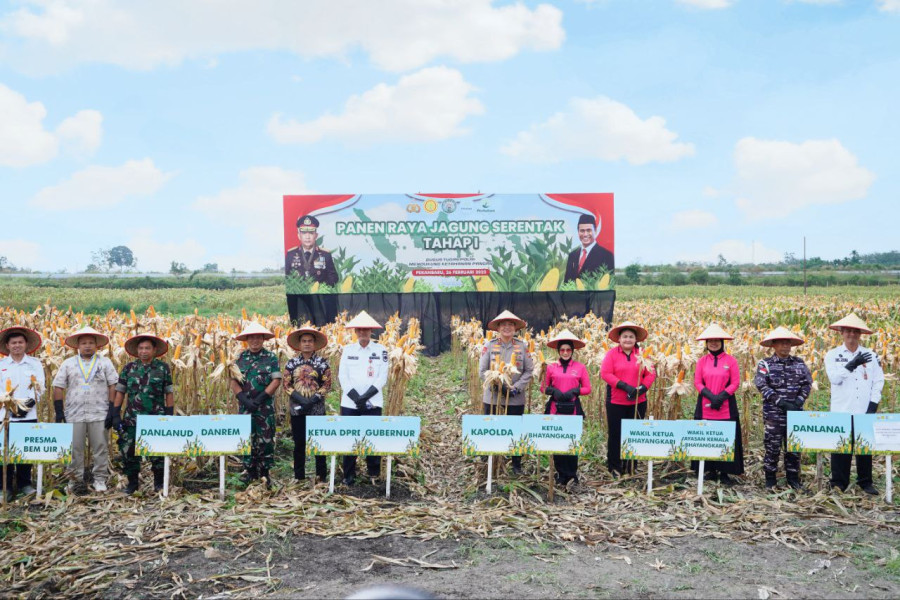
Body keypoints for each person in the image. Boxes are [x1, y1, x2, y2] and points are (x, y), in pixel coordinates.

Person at [52, 326, 118, 493]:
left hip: (99, 411)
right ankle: (75, 479)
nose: (87, 346)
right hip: (74, 412)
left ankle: (100, 479)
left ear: (96, 345)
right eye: (83, 343)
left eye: (90, 343)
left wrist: (112, 409)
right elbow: (58, 386)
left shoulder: (105, 362)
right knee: (75, 448)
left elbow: (113, 385)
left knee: (100, 447)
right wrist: (59, 411)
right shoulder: (68, 364)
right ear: (78, 346)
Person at [824, 313, 884, 495]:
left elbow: (878, 381)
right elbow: (834, 379)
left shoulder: (871, 356)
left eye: (855, 331)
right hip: (841, 409)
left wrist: (873, 405)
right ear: (842, 333)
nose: (851, 335)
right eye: (848, 331)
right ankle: (839, 483)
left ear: (860, 334)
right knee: (840, 448)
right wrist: (851, 365)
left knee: (865, 448)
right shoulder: (833, 355)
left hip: (863, 409)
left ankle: (865, 482)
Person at [111, 334, 174, 494]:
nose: (144, 351)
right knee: (128, 451)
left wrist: (169, 413)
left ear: (154, 350)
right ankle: (132, 484)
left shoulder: (163, 368)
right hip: (132, 418)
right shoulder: (128, 368)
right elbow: (120, 391)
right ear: (137, 351)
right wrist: (115, 414)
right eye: (141, 348)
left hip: (156, 418)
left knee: (157, 452)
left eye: (147, 348)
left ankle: (159, 483)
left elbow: (168, 392)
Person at [754, 326, 812, 490]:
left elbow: (807, 384)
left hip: (796, 413)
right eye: (781, 343)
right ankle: (770, 479)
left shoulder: (799, 363)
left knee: (794, 448)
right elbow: (761, 385)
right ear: (773, 345)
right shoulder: (765, 364)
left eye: (788, 343)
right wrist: (780, 402)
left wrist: (799, 401)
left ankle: (793, 478)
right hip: (774, 414)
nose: (785, 346)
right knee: (772, 447)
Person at [478, 310, 534, 475]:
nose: (507, 328)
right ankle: (489, 461)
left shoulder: (523, 346)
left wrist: (516, 388)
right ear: (498, 328)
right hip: (493, 397)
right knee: (491, 429)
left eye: (511, 325)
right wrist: (495, 385)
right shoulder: (489, 345)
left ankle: (516, 463)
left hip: (515, 397)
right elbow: (482, 370)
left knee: (515, 429)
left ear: (516, 328)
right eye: (503, 325)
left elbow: (529, 371)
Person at [338, 311, 388, 486]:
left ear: (371, 331)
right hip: (349, 403)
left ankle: (373, 474)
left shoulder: (381, 350)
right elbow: (343, 377)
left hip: (373, 402)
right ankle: (349, 475)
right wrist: (356, 398)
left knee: (372, 437)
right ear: (356, 332)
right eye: (360, 330)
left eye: (366, 330)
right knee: (349, 438)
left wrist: (365, 397)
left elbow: (382, 378)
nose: (363, 333)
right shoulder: (347, 350)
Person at [600, 321, 656, 477]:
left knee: (634, 433)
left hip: (638, 401)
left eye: (631, 337)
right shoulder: (611, 354)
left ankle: (631, 465)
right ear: (619, 339)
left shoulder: (643, 353)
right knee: (616, 434)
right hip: (616, 401)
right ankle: (615, 466)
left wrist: (642, 388)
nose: (628, 340)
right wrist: (625, 387)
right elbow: (606, 374)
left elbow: (651, 373)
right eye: (625, 337)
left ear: (636, 339)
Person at [691, 324, 745, 484]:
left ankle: (725, 472)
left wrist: (720, 397)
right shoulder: (702, 361)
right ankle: (710, 470)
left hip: (726, 404)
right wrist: (710, 396)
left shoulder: (731, 360)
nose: (713, 343)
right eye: (710, 341)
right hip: (705, 403)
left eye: (716, 340)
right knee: (707, 436)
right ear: (706, 343)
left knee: (725, 437)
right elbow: (697, 382)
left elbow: (735, 382)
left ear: (722, 342)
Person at [230, 322, 281, 485]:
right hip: (245, 407)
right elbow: (233, 381)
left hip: (264, 407)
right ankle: (250, 471)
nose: (255, 340)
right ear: (247, 339)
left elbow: (276, 380)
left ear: (263, 339)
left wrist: (259, 399)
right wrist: (244, 400)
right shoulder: (239, 358)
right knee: (247, 438)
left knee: (266, 439)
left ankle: (265, 472)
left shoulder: (271, 357)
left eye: (258, 337)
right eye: (252, 337)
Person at [541, 329, 591, 485]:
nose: (565, 352)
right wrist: (552, 390)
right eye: (562, 350)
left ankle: (572, 473)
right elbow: (543, 387)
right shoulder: (550, 367)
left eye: (568, 349)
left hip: (573, 408)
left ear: (572, 351)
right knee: (557, 440)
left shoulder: (580, 367)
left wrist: (576, 391)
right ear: (558, 351)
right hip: (555, 407)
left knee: (571, 440)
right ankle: (560, 473)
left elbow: (587, 388)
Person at [0, 327, 45, 500]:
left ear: (26, 344)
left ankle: (25, 484)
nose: (17, 345)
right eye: (13, 343)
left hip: (28, 414)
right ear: (7, 345)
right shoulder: (1, 365)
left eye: (20, 342)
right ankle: (5, 488)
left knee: (25, 451)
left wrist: (26, 405)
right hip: (4, 415)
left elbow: (40, 387)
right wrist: (10, 405)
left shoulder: (35, 364)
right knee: (5, 452)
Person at [283, 326, 330, 483]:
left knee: (319, 442)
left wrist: (314, 399)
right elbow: (286, 384)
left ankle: (321, 475)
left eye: (310, 341)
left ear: (315, 344)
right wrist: (301, 399)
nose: (307, 344)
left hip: (317, 409)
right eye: (304, 341)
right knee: (299, 443)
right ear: (299, 344)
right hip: (298, 410)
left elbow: (327, 384)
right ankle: (299, 476)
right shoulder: (292, 363)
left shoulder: (322, 363)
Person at [284, 214, 338, 286]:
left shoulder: (325, 255)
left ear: (316, 235)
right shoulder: (291, 254)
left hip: (319, 296)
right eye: (304, 233)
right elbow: (286, 278)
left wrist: (319, 288)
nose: (307, 237)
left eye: (311, 233)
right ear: (299, 236)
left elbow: (334, 278)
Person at [563, 214, 615, 284]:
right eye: (582, 231)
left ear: (595, 231)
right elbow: (566, 283)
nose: (585, 234)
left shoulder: (607, 255)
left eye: (588, 230)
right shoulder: (572, 255)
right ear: (578, 232)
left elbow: (609, 283)